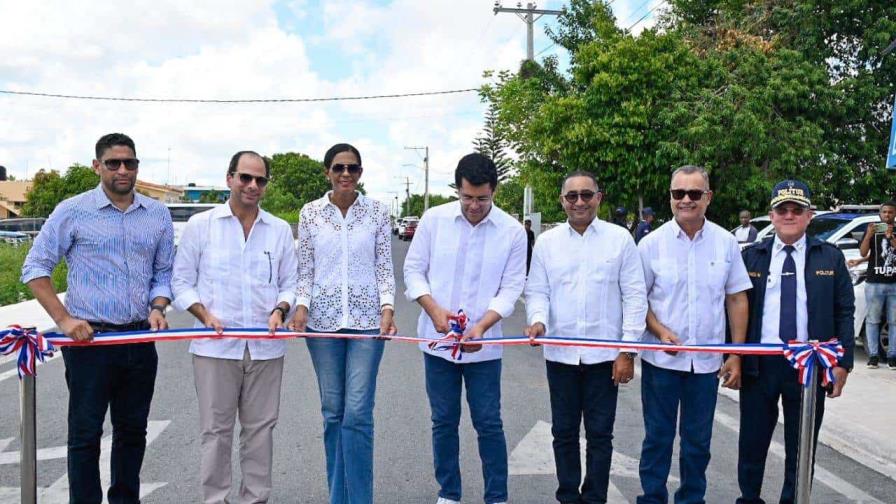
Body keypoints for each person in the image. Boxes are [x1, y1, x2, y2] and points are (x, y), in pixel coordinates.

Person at [21, 133, 174, 504]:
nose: (123, 170)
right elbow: (35, 268)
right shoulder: (72, 211)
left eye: (130, 163)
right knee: (86, 435)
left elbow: (164, 272)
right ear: (97, 166)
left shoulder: (157, 214)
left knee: (132, 431)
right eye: (114, 163)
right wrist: (63, 320)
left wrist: (157, 307)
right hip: (89, 342)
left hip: (138, 340)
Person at [171, 150, 298, 504]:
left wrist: (280, 309)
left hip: (266, 348)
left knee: (260, 432)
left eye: (260, 180)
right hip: (215, 348)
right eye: (245, 177)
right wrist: (203, 315)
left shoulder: (278, 230)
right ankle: (216, 500)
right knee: (216, 433)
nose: (252, 185)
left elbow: (291, 282)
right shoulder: (202, 226)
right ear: (229, 178)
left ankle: (254, 500)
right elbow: (181, 282)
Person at [404, 153, 526, 504]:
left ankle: (497, 497)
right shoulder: (433, 220)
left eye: (482, 199)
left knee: (489, 423)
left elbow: (511, 287)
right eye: (467, 197)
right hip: (437, 343)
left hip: (484, 348)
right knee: (443, 421)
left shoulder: (512, 232)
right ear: (457, 189)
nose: (474, 206)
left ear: (494, 191)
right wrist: (434, 311)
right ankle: (449, 494)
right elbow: (414, 271)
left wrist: (484, 326)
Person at [525, 170, 647, 504]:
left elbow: (635, 296)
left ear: (599, 198)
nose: (579, 202)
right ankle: (567, 496)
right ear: (562, 200)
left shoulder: (619, 239)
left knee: (600, 435)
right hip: (561, 356)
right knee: (563, 433)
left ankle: (595, 498)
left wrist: (627, 351)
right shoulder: (547, 243)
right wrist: (537, 321)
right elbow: (537, 291)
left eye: (586, 195)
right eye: (572, 196)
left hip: (604, 359)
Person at [288, 143, 396, 504]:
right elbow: (305, 268)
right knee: (333, 413)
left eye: (353, 168)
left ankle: (359, 498)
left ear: (361, 174)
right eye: (339, 168)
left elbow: (384, 266)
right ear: (327, 172)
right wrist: (301, 307)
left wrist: (388, 308)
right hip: (321, 324)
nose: (346, 174)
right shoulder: (311, 213)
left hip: (367, 325)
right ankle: (339, 497)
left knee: (358, 414)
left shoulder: (378, 213)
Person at [636, 165, 751, 504]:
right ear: (670, 197)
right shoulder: (650, 244)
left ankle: (691, 498)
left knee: (697, 442)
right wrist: (658, 331)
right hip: (660, 362)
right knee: (657, 438)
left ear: (708, 197)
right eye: (678, 193)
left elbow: (736, 298)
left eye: (694, 193)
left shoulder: (726, 243)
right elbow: (636, 299)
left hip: (705, 365)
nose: (686, 200)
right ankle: (652, 498)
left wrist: (736, 354)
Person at [737, 180, 854, 504]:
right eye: (782, 209)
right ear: (771, 216)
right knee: (752, 442)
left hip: (809, 366)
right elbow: (734, 307)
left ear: (809, 215)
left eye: (796, 210)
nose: (789, 215)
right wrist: (733, 357)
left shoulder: (829, 257)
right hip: (760, 365)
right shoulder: (752, 257)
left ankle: (794, 499)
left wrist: (843, 364)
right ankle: (749, 499)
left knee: (801, 445)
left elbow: (845, 310)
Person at [848, 201, 896, 368]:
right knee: (872, 320)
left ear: (895, 214)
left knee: (894, 321)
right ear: (880, 214)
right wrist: (868, 235)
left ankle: (892, 356)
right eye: (885, 212)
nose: (887, 215)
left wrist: (891, 238)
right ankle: (874, 356)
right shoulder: (873, 230)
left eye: (891, 212)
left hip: (894, 283)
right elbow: (865, 252)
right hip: (874, 282)